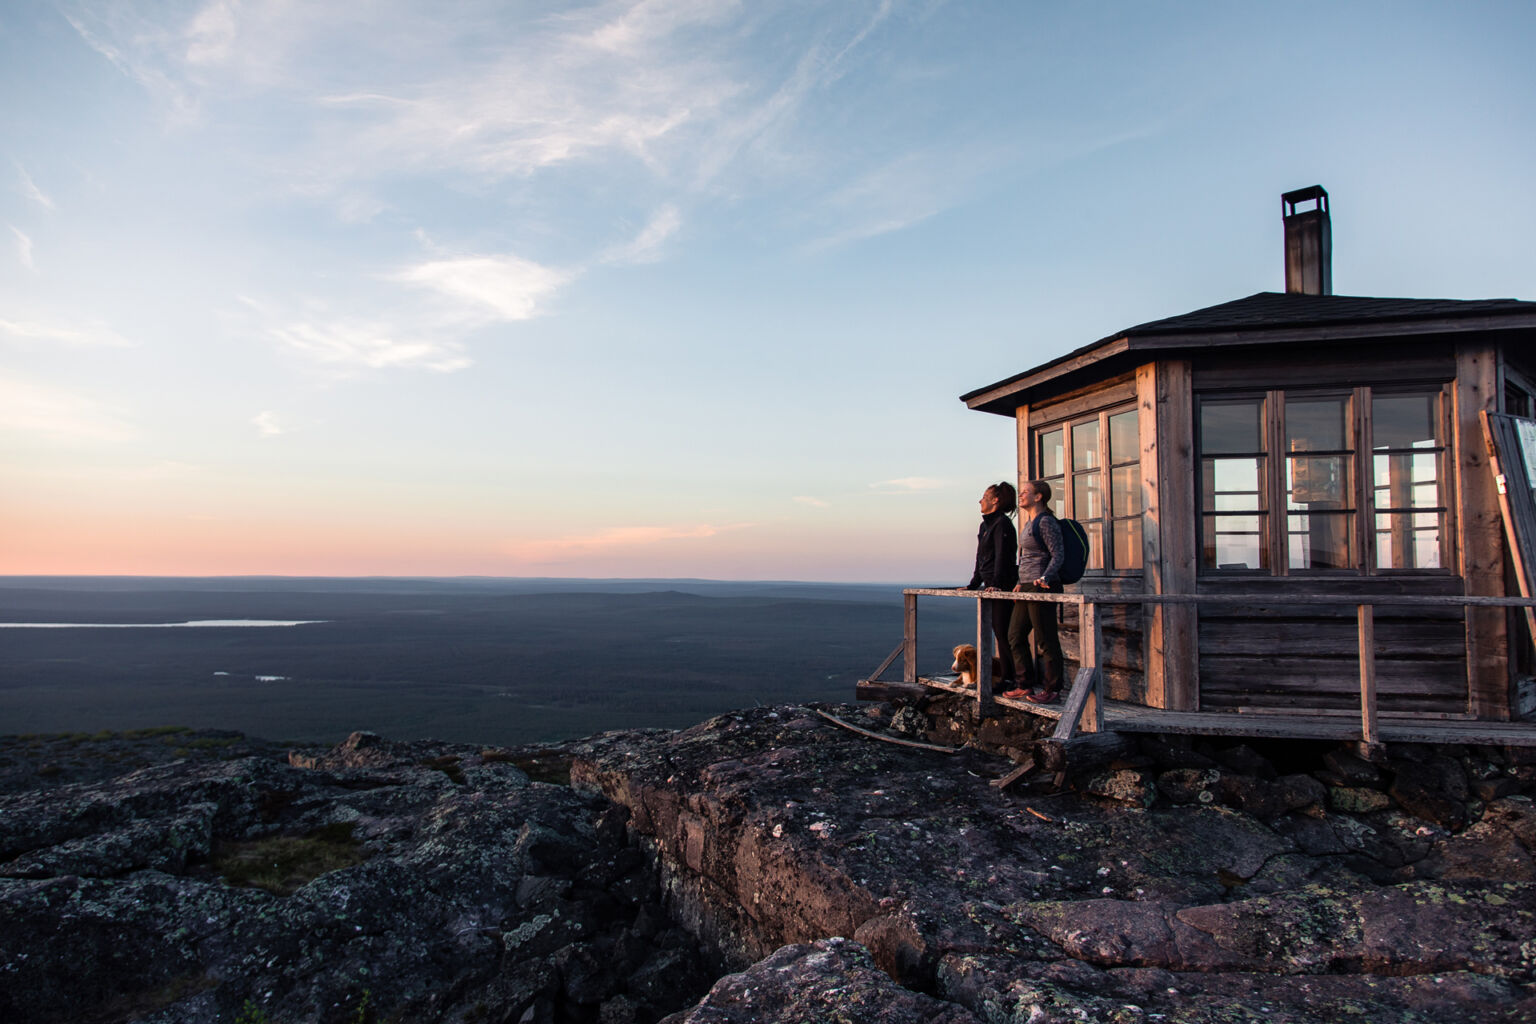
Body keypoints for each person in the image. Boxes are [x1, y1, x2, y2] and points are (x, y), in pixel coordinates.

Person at [1003, 479, 1065, 703]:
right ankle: (1024, 685)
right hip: (1027, 585)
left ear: (1038, 497)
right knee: (1015, 635)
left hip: (1043, 585)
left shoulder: (1046, 522)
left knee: (1046, 638)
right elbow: (1027, 557)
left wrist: (1045, 577)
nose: (1020, 495)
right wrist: (1021, 580)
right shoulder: (1029, 523)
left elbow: (1058, 554)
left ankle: (1052, 689)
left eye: (1025, 492)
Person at [964, 482, 1020, 688]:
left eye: (985, 496)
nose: (981, 500)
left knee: (1002, 631)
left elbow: (1003, 557)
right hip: (990, 583)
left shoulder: (1002, 524)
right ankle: (1006, 675)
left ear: (995, 501)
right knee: (998, 630)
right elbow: (981, 557)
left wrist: (997, 584)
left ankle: (1010, 678)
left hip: (1001, 585)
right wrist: (973, 584)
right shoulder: (986, 525)